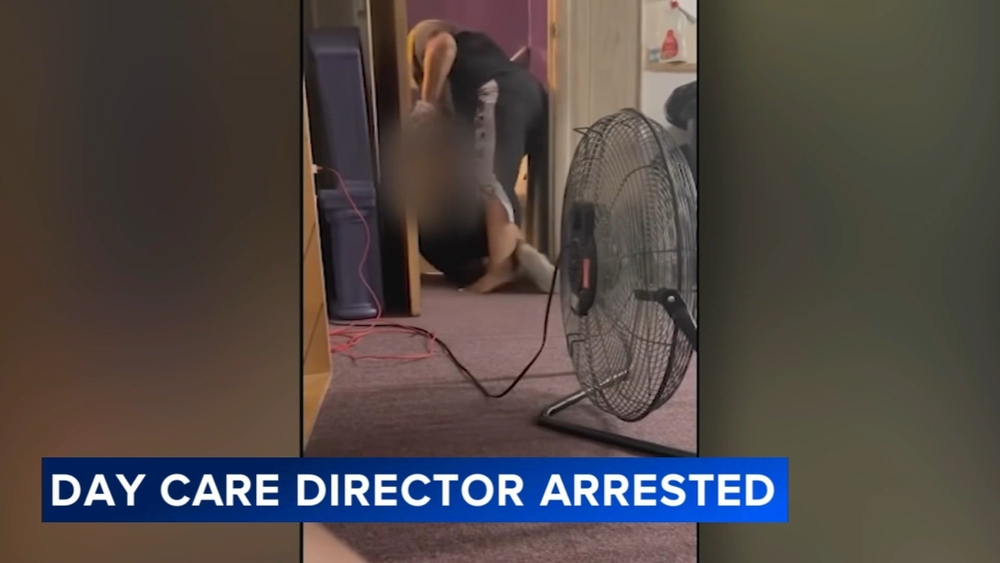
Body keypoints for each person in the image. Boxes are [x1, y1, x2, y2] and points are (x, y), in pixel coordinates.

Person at [406, 20, 551, 294]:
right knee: (499, 180)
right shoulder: (479, 51)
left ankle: (500, 269)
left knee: (490, 180)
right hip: (531, 94)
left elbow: (442, 46)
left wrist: (427, 104)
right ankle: (514, 251)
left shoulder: (427, 36)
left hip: (497, 91)